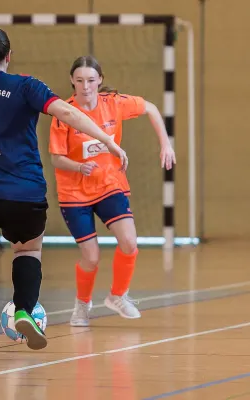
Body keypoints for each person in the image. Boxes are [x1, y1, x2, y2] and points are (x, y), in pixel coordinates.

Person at [0, 28, 130, 365]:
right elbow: (67, 113)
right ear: (9, 55)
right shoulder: (26, 86)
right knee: (28, 250)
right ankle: (23, 309)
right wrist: (108, 141)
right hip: (23, 191)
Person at [48, 55, 176, 326]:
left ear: (100, 81)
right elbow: (56, 159)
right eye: (80, 80)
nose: (86, 86)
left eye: (91, 80)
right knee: (91, 257)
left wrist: (166, 144)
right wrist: (78, 167)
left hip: (109, 184)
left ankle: (118, 295)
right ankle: (82, 305)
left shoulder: (114, 103)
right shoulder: (64, 114)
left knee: (129, 242)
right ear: (72, 80)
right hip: (74, 193)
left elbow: (151, 108)